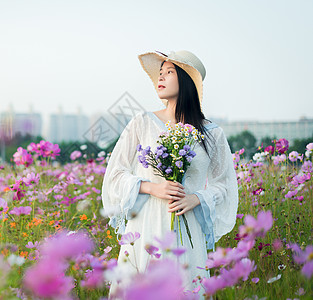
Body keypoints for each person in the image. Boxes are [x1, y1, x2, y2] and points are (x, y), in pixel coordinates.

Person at [101, 50, 238, 297]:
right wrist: (151, 187)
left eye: (169, 72)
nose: (160, 78)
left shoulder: (211, 133)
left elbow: (225, 184)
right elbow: (115, 174)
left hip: (188, 227)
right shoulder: (142, 122)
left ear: (186, 80)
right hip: (146, 225)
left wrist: (196, 198)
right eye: (159, 73)